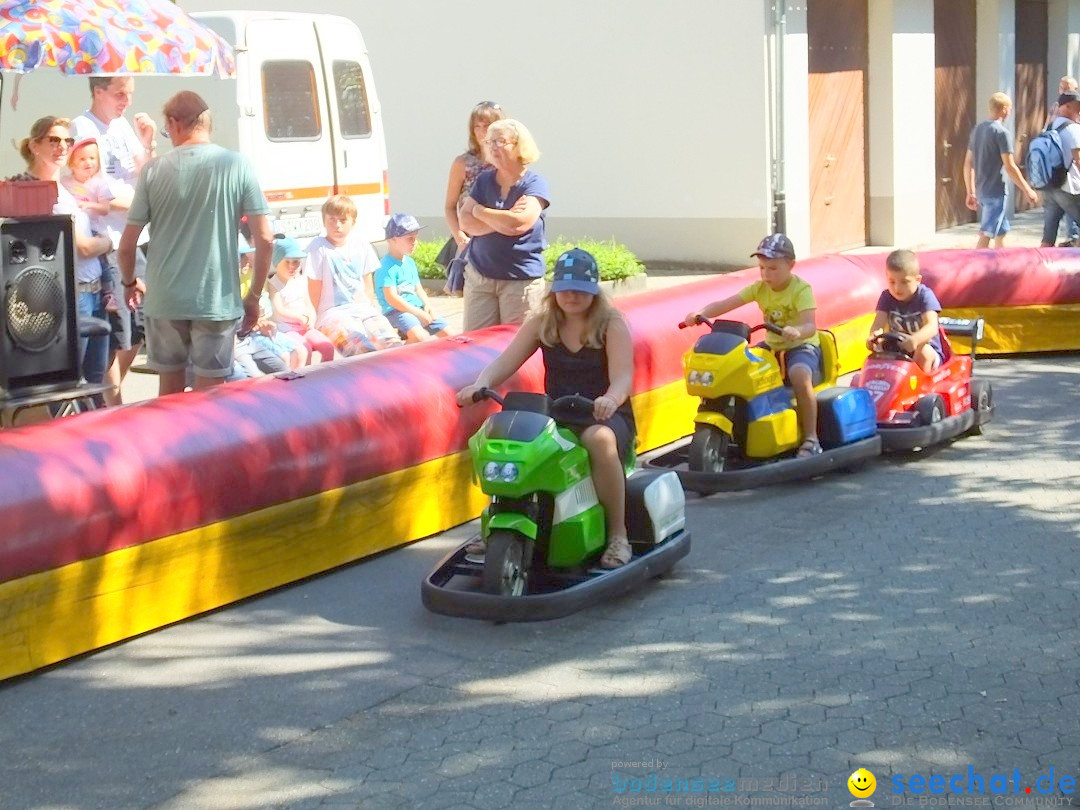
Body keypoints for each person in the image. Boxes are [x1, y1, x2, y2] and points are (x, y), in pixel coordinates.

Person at [456, 248, 636, 569]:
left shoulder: (612, 324)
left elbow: (623, 377)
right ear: (554, 290)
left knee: (599, 440)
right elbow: (504, 362)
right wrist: (480, 384)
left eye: (581, 288)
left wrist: (610, 399)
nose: (572, 295)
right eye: (565, 287)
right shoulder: (542, 323)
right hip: (558, 412)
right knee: (518, 443)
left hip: (603, 414)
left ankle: (618, 535)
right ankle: (500, 522)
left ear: (594, 291)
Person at [119, 91, 274, 396]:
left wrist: (128, 283)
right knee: (210, 395)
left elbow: (126, 246)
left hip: (164, 300)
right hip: (214, 300)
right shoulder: (238, 165)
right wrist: (254, 295)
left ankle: (174, 445)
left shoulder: (153, 171)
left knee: (170, 392)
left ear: (175, 123)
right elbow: (266, 238)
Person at [682, 233, 823, 458]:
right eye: (762, 268)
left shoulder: (801, 289)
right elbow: (726, 303)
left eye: (773, 268)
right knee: (739, 367)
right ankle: (738, 424)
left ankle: (811, 438)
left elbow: (810, 326)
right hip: (771, 346)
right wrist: (702, 313)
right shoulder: (759, 289)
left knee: (799, 376)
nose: (766, 274)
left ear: (791, 265)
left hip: (801, 346)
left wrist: (796, 331)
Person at [71, 76, 155, 404]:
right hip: (109, 240)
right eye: (120, 94)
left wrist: (147, 143)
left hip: (134, 237)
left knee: (138, 327)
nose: (126, 101)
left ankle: (107, 397)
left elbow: (143, 174)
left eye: (130, 94)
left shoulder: (120, 127)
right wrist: (142, 205)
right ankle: (111, 404)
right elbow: (91, 189)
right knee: (117, 328)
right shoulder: (83, 128)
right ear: (98, 91)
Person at [12, 116, 113, 389]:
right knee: (68, 383)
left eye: (67, 141)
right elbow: (82, 246)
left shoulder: (65, 190)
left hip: (94, 291)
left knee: (94, 379)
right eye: (53, 140)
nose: (62, 147)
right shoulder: (31, 190)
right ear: (34, 146)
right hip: (68, 294)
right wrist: (110, 241)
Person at [458, 119, 549, 331]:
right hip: (480, 277)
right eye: (489, 142)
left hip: (520, 282)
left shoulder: (535, 183)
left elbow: (519, 224)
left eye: (500, 141)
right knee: (475, 348)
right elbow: (465, 221)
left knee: (518, 348)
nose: (493, 147)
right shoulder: (484, 180)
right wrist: (504, 219)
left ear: (519, 145)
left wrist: (480, 211)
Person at [305, 195, 402, 356]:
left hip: (362, 310)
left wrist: (368, 308)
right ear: (324, 221)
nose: (337, 225)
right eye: (332, 220)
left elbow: (367, 283)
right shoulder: (318, 248)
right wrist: (313, 320)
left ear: (353, 222)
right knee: (361, 349)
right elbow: (313, 289)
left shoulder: (361, 244)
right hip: (332, 314)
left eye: (343, 220)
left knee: (392, 345)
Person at [440, 101, 505, 294]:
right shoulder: (463, 163)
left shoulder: (509, 164)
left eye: (487, 126)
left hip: (502, 242)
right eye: (477, 126)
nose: (481, 131)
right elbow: (450, 206)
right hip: (472, 242)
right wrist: (459, 237)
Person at [963, 92, 1039, 249]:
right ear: (1004, 109)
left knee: (1001, 231)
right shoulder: (1002, 133)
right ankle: (978, 267)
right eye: (1009, 108)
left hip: (982, 190)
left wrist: (970, 191)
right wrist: (1027, 189)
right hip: (995, 191)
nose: (1010, 112)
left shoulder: (977, 130)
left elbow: (967, 163)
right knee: (986, 233)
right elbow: (1009, 166)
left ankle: (1001, 265)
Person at [61, 137, 119, 315]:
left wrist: (89, 205)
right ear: (72, 163)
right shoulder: (65, 182)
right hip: (77, 230)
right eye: (82, 159)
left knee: (103, 261)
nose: (88, 163)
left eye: (92, 158)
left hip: (95, 228)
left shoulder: (100, 184)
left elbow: (105, 208)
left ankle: (109, 292)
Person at [375, 214, 451, 343]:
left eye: (416, 238)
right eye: (410, 238)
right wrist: (418, 313)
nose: (415, 242)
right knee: (419, 337)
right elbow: (392, 298)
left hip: (417, 308)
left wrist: (427, 306)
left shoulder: (409, 262)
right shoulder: (385, 266)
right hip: (396, 312)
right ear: (392, 239)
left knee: (450, 335)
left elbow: (418, 289)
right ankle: (399, 360)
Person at [866, 249, 943, 374]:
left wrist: (915, 340)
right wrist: (874, 337)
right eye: (892, 282)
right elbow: (878, 324)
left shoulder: (924, 296)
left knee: (923, 352)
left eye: (904, 282)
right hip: (897, 349)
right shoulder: (886, 296)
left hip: (927, 351)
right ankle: (880, 385)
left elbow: (932, 327)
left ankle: (920, 386)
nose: (897, 288)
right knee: (877, 352)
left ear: (917, 280)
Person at [267, 237, 336, 363]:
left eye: (296, 262)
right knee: (305, 349)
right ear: (277, 262)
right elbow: (279, 311)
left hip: (305, 326)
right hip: (286, 330)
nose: (292, 266)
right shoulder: (274, 284)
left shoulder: (301, 280)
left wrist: (311, 317)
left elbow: (308, 303)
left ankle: (324, 374)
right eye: (287, 262)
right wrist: (299, 318)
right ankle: (305, 378)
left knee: (327, 347)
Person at [1037, 91, 1080, 246]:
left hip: (1050, 187)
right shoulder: (1073, 129)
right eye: (1077, 107)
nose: (1079, 110)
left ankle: (1041, 267)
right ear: (1067, 107)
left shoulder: (1049, 126)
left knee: (1048, 236)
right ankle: (1075, 257)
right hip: (1069, 188)